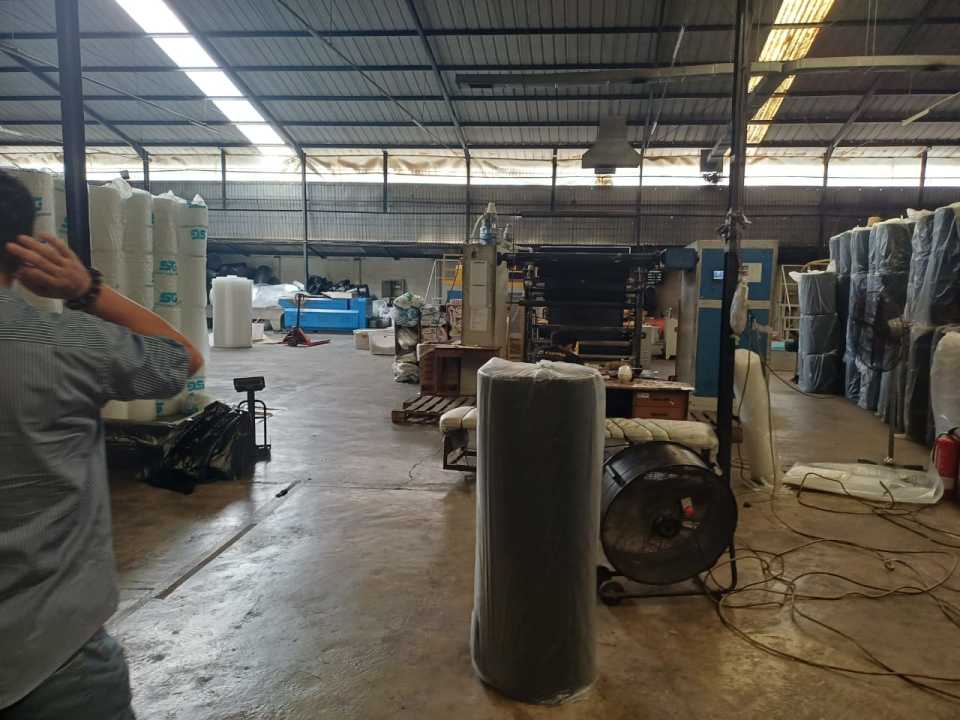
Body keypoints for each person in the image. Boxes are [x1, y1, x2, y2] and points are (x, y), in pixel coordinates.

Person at [0, 171, 203, 720]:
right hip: (53, 657)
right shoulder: (66, 345)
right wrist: (85, 290)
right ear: (23, 252)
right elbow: (182, 358)